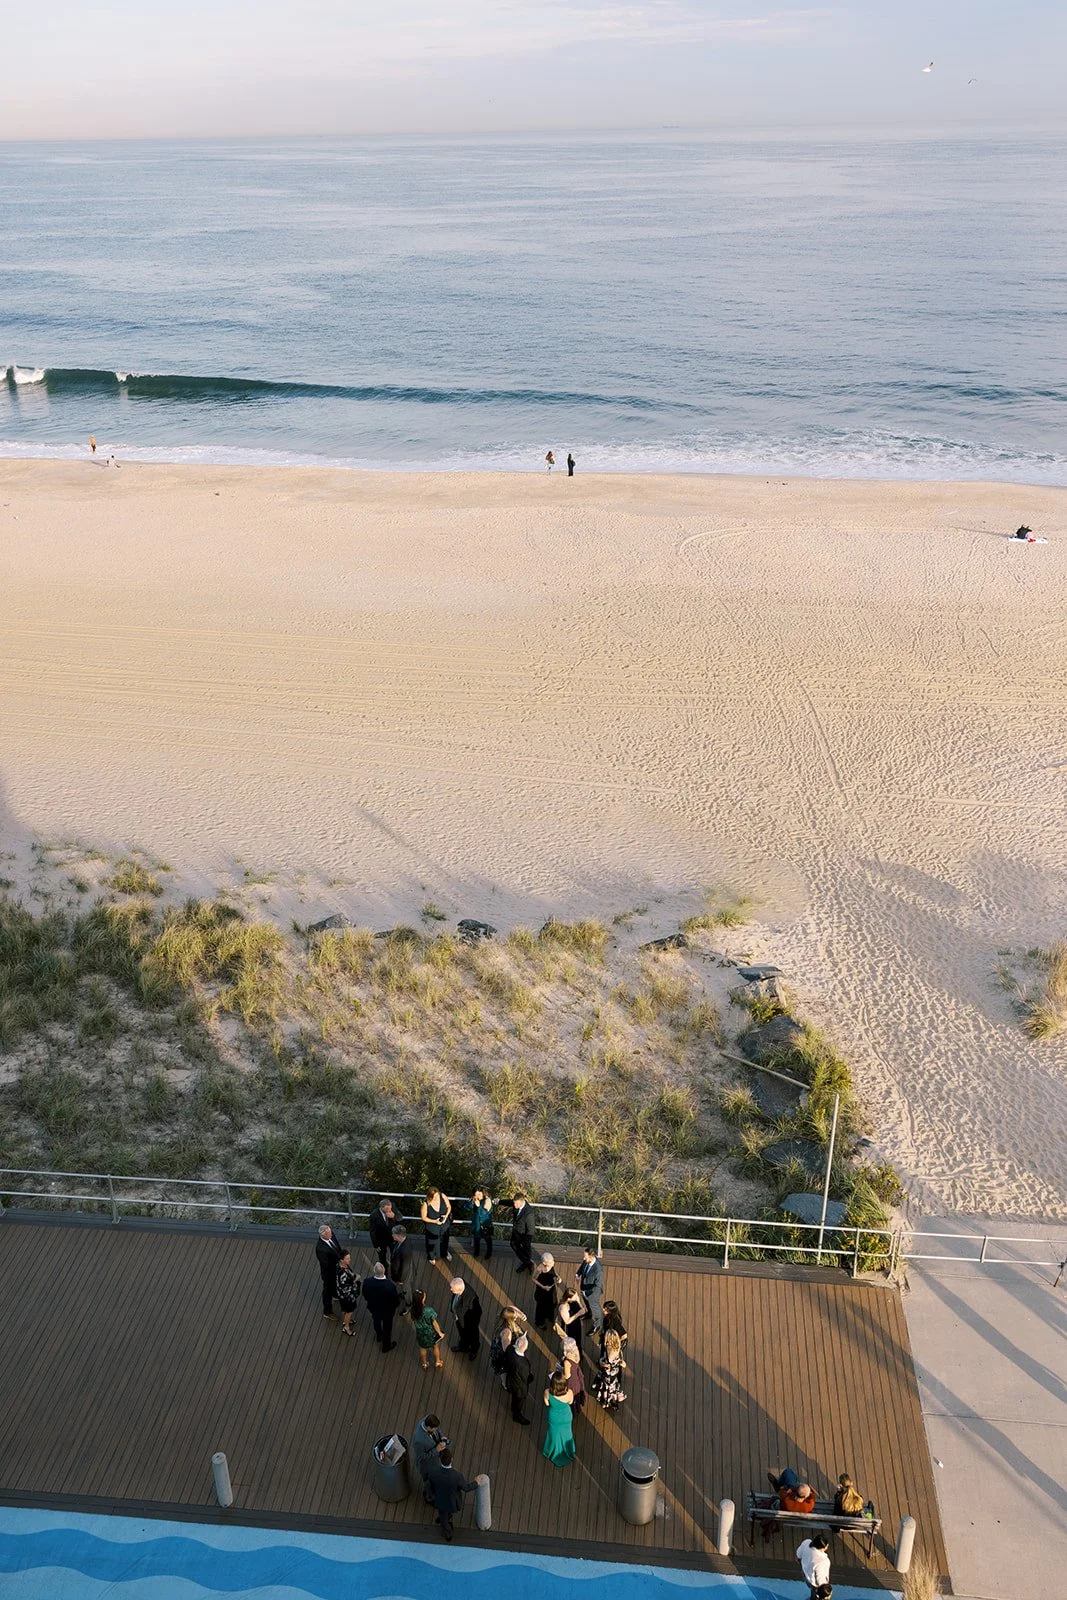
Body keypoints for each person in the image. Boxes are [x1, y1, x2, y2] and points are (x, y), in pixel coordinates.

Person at [425, 1447, 485, 1542]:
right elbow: (466, 1488)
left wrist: (431, 1496)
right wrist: (476, 1483)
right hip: (452, 1501)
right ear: (451, 1459)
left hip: (440, 1500)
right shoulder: (456, 1476)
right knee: (445, 1521)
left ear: (440, 1460)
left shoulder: (433, 1472)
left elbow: (430, 1486)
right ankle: (448, 1533)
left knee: (443, 1515)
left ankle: (445, 1521)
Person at [362, 1261, 400, 1351]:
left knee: (376, 1320)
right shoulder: (390, 1286)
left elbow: (365, 1294)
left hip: (374, 1308)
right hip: (388, 1311)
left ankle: (379, 1335)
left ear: (374, 1271)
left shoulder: (367, 1282)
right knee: (387, 1327)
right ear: (384, 1271)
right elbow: (395, 1301)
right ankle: (386, 1346)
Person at [411, 1412, 447, 1503]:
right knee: (429, 1483)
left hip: (435, 1461)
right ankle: (429, 1497)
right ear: (428, 1427)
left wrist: (442, 1437)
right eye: (434, 1429)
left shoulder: (428, 1419)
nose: (436, 1430)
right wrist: (436, 1450)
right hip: (427, 1466)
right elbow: (422, 1456)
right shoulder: (418, 1440)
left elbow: (438, 1430)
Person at [542, 1375, 576, 1467]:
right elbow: (570, 1402)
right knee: (567, 1434)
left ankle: (553, 1451)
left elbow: (547, 1403)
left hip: (554, 1418)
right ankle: (568, 1450)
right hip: (565, 1417)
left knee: (553, 1434)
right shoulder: (569, 1393)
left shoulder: (547, 1392)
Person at [488, 1305, 527, 1385]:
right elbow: (507, 1349)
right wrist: (518, 1347)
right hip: (502, 1354)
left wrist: (521, 1314)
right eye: (515, 1316)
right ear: (510, 1319)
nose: (517, 1317)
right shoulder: (507, 1332)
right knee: (503, 1369)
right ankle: (504, 1384)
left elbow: (510, 1306)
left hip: (498, 1346)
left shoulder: (501, 1316)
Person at [591, 1328, 627, 1411]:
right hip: (614, 1373)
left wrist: (601, 1362)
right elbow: (622, 1363)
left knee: (607, 1387)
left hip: (608, 1374)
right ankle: (608, 1400)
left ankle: (606, 1401)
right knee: (611, 1387)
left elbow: (607, 1364)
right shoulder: (617, 1348)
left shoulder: (611, 1352)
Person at [314, 1223, 345, 1320]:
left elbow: (337, 1246)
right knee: (327, 1292)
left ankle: (335, 1295)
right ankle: (327, 1311)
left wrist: (342, 1257)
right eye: (329, 1234)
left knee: (336, 1284)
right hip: (329, 1273)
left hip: (337, 1267)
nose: (331, 1235)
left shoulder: (331, 1235)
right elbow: (325, 1264)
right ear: (323, 1235)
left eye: (331, 1233)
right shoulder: (320, 1248)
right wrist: (338, 1266)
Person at [503, 1331, 533, 1424]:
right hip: (519, 1388)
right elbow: (526, 1377)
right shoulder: (524, 1364)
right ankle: (516, 1415)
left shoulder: (510, 1350)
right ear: (526, 1348)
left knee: (514, 1398)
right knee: (518, 1402)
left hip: (510, 1381)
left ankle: (513, 1408)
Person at [411, 1289, 445, 1371]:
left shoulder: (412, 1310)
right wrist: (440, 1333)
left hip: (420, 1333)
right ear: (422, 1299)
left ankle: (425, 1363)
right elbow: (434, 1323)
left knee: (422, 1348)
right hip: (430, 1333)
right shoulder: (428, 1310)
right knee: (435, 1346)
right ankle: (437, 1361)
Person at [448, 1276, 482, 1359]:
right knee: (462, 1335)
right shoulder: (460, 1287)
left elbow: (478, 1312)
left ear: (459, 1290)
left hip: (468, 1323)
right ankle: (464, 1347)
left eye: (452, 1288)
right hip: (459, 1319)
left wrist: (471, 1325)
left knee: (473, 1337)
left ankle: (474, 1350)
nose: (450, 1290)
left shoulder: (471, 1298)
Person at [553, 1335, 586, 1415]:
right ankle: (578, 1410)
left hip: (571, 1384)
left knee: (572, 1400)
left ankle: (573, 1413)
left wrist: (560, 1371)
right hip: (577, 1381)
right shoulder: (575, 1355)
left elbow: (567, 1376)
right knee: (576, 1399)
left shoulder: (566, 1362)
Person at [576, 1246, 604, 1333]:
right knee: (587, 1303)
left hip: (592, 1293)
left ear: (591, 1257)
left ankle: (597, 1325)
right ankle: (589, 1313)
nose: (583, 1258)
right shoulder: (586, 1261)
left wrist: (586, 1292)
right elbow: (582, 1267)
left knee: (595, 1309)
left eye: (585, 1257)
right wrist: (578, 1274)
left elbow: (597, 1286)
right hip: (584, 1288)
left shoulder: (598, 1270)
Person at [421, 1187, 453, 1263]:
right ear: (430, 1196)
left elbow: (449, 1207)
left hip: (444, 1223)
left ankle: (444, 1253)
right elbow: (423, 1217)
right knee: (432, 1242)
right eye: (434, 1196)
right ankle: (431, 1257)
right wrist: (434, 1221)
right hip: (432, 1225)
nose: (436, 1198)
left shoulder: (443, 1196)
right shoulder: (426, 1203)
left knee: (445, 1239)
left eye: (437, 1195)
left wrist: (446, 1216)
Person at [554, 1287, 586, 1359]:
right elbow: (567, 1321)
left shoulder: (573, 1302)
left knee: (578, 1340)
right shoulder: (563, 1307)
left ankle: (579, 1353)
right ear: (569, 1298)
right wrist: (578, 1314)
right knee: (571, 1342)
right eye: (575, 1296)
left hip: (576, 1323)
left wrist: (578, 1302)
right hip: (569, 1328)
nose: (577, 1297)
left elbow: (583, 1311)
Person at [533, 1253, 561, 1328]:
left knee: (552, 1304)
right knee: (541, 1307)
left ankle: (550, 1317)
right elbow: (533, 1279)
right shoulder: (539, 1269)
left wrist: (558, 1277)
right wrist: (543, 1287)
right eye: (550, 1262)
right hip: (542, 1291)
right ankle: (540, 1323)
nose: (553, 1263)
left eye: (552, 1261)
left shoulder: (551, 1265)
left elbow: (554, 1273)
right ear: (544, 1263)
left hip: (551, 1289)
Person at [336, 1251, 361, 1336]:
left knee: (347, 1311)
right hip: (347, 1296)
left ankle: (348, 1320)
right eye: (347, 1258)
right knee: (349, 1311)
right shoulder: (342, 1273)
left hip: (344, 1294)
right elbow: (344, 1286)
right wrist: (356, 1279)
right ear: (341, 1260)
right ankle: (346, 1327)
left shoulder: (340, 1266)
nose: (349, 1260)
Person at [510, 1194, 535, 1274]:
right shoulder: (516, 1203)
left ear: (522, 1202)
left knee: (526, 1251)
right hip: (516, 1232)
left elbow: (531, 1230)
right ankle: (528, 1263)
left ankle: (528, 1265)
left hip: (524, 1236)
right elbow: (509, 1202)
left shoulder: (529, 1213)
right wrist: (499, 1201)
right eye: (514, 1203)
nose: (514, 1205)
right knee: (513, 1244)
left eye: (516, 1204)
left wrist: (526, 1242)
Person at [368, 1197, 396, 1266]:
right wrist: (375, 1245)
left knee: (394, 1253)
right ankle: (384, 1268)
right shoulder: (374, 1216)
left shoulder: (392, 1210)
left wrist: (393, 1217)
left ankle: (394, 1265)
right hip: (381, 1239)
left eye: (390, 1208)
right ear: (381, 1207)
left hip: (392, 1237)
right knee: (382, 1255)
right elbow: (372, 1231)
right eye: (387, 1209)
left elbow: (400, 1219)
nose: (389, 1210)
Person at [469, 1187, 493, 1257]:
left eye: (479, 1194)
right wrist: (471, 1201)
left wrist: (478, 1206)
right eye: (476, 1195)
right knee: (476, 1237)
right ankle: (476, 1252)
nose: (478, 1196)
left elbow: (484, 1213)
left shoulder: (487, 1200)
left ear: (482, 1193)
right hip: (476, 1222)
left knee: (487, 1238)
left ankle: (489, 1252)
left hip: (485, 1222)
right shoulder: (475, 1199)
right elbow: (467, 1207)